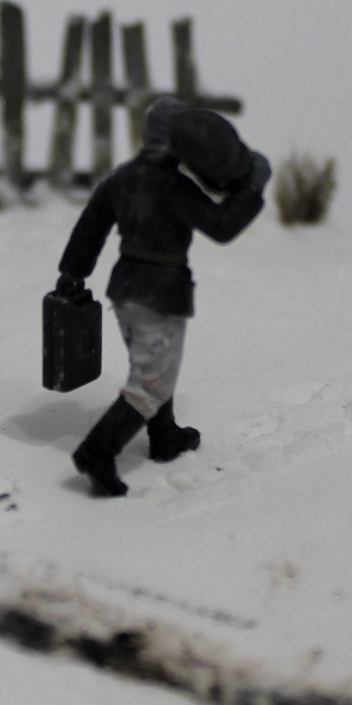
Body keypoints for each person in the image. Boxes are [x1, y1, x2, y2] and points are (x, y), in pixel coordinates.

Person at [53, 100, 270, 497]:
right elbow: (222, 226)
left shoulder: (121, 177)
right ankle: (97, 452)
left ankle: (164, 435)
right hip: (159, 293)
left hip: (125, 290)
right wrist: (252, 189)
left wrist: (72, 273)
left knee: (155, 368)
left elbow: (90, 227)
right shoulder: (174, 185)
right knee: (150, 382)